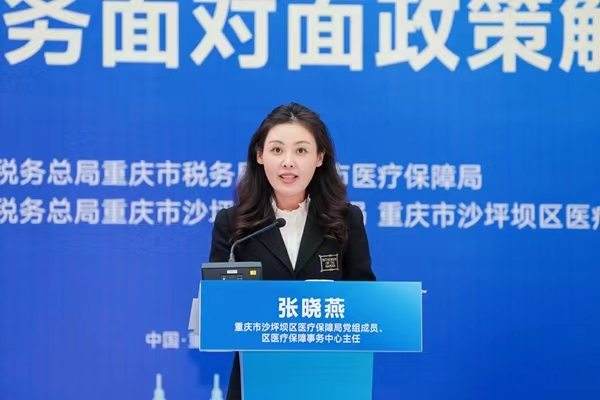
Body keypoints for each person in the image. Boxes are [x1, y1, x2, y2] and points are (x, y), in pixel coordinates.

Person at [208, 102, 376, 400]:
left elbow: (365, 301)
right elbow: (219, 310)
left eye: (301, 150)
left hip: (329, 377)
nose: (288, 162)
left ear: (320, 157)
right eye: (277, 150)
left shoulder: (346, 220)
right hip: (257, 379)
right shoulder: (234, 225)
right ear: (260, 156)